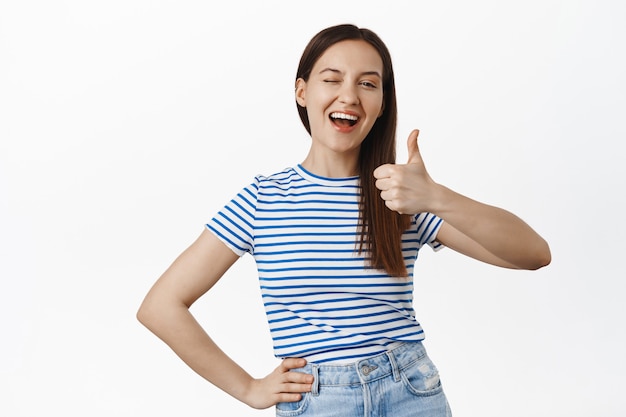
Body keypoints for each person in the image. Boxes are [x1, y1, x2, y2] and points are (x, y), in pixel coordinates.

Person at [137, 23, 551, 417]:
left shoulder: (400, 194)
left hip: (410, 390)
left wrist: (436, 196)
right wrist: (248, 388)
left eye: (368, 83)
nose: (349, 96)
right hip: (318, 400)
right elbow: (161, 306)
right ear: (302, 91)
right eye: (332, 79)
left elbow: (533, 254)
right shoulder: (264, 199)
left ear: (382, 102)